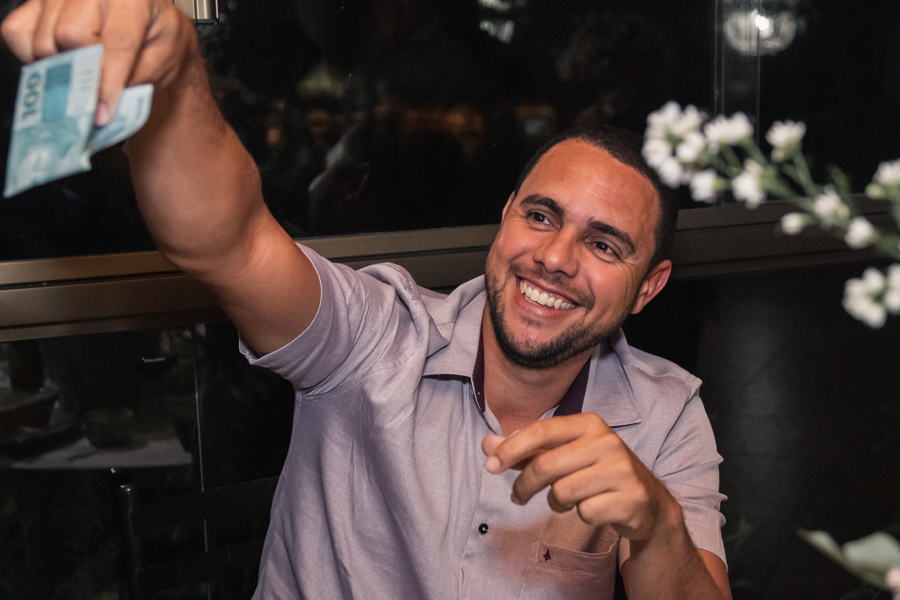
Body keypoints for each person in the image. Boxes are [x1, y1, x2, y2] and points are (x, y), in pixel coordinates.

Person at [1, 2, 731, 598]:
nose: (556, 257)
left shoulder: (664, 416)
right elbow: (231, 242)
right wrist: (175, 78)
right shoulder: (378, 335)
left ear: (649, 286)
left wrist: (658, 527)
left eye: (604, 245)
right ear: (506, 215)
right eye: (540, 216)